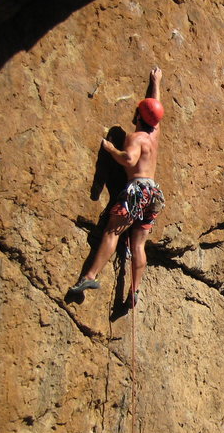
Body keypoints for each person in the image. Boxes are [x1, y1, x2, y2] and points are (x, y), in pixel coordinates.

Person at [70, 66, 166, 306]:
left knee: (112, 232)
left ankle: (90, 276)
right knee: (139, 243)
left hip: (137, 190)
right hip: (153, 192)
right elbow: (154, 108)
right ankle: (135, 289)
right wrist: (155, 82)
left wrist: (111, 149)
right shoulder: (154, 134)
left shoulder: (135, 138)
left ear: (138, 115)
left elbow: (129, 159)